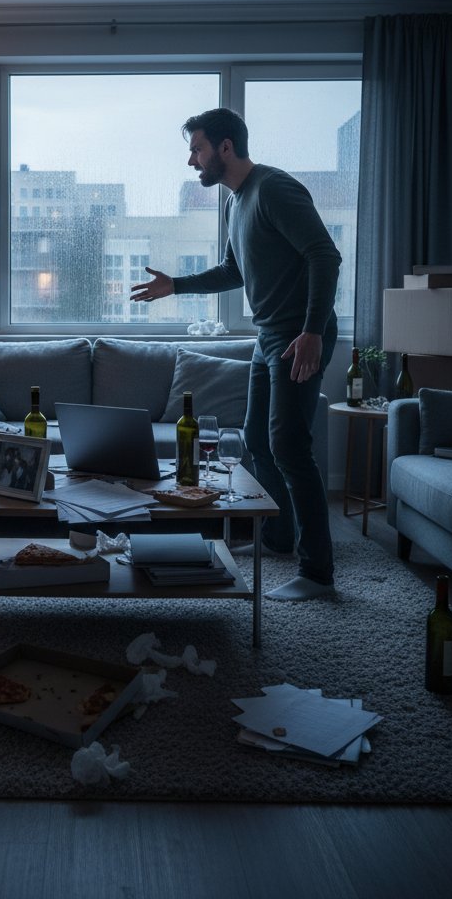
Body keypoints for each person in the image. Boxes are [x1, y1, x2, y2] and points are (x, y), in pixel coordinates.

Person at [131, 107, 341, 602]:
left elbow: (325, 255)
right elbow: (232, 270)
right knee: (256, 439)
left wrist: (312, 331)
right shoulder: (234, 202)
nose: (191, 160)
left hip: (299, 334)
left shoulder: (274, 189)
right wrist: (176, 285)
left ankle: (318, 574)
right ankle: (279, 538)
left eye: (197, 148)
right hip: (269, 335)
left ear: (225, 148)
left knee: (289, 445)